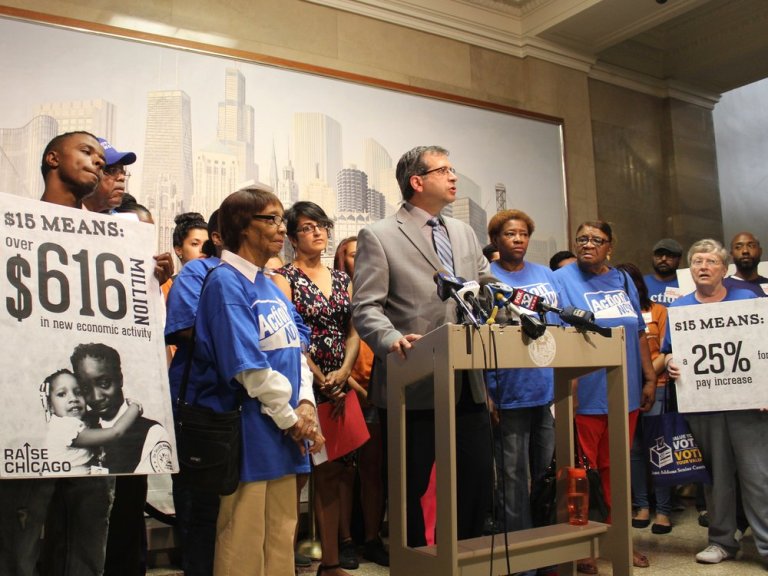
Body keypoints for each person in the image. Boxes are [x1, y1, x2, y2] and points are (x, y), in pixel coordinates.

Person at [351, 145, 493, 548]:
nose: (454, 177)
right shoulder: (379, 235)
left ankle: (464, 558)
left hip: (468, 380)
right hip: (412, 380)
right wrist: (391, 339)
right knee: (410, 485)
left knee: (478, 475)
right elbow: (365, 307)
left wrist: (502, 301)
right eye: (444, 170)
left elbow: (485, 283)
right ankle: (413, 560)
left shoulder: (464, 231)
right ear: (417, 181)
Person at [185, 186, 323, 576]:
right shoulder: (225, 282)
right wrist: (292, 417)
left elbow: (295, 351)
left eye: (282, 220)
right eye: (271, 219)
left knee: (281, 533)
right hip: (249, 430)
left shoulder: (269, 284)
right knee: (243, 537)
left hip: (283, 428)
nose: (282, 229)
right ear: (243, 227)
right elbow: (247, 366)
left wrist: (307, 404)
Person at [0, 131, 112, 576]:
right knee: (20, 540)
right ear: (52, 158)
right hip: (25, 423)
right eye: (87, 152)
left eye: (102, 159)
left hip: (91, 423)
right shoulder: (12, 225)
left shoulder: (112, 239)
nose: (97, 163)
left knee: (87, 540)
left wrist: (142, 274)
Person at [553, 220, 656, 574]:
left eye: (596, 240)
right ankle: (583, 547)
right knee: (581, 475)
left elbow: (639, 332)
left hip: (624, 393)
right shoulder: (561, 279)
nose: (587, 244)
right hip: (585, 395)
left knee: (617, 474)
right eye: (582, 239)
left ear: (609, 246)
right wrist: (568, 389)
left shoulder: (623, 279)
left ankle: (620, 542)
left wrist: (649, 376)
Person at [663, 239, 768, 566]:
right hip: (704, 405)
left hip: (748, 406)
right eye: (697, 262)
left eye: (710, 262)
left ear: (725, 269)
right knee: (717, 478)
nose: (703, 267)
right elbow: (669, 351)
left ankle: (765, 545)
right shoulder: (679, 309)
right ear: (690, 269)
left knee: (758, 477)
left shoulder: (747, 298)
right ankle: (722, 541)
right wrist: (669, 363)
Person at [273, 201, 361, 575]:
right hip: (303, 386)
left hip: (341, 384)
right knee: (296, 476)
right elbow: (289, 335)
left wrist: (343, 372)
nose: (318, 232)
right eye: (308, 227)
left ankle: (331, 561)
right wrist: (318, 376)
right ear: (292, 238)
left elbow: (353, 332)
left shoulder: (343, 279)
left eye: (321, 225)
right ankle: (284, 561)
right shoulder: (284, 277)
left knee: (332, 474)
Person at [484, 210, 558, 547]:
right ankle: (518, 551)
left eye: (523, 234)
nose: (518, 240)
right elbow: (477, 337)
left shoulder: (546, 275)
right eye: (511, 234)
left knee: (544, 473)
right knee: (513, 476)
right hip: (507, 391)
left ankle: (543, 547)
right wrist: (486, 391)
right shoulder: (486, 279)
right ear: (496, 240)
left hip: (546, 389)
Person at [165, 209, 223, 576]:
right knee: (197, 506)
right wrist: (238, 350)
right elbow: (183, 328)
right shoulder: (194, 274)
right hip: (199, 400)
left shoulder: (264, 278)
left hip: (240, 407)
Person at [334, 236, 389, 567]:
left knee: (373, 469)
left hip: (378, 391)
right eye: (355, 255)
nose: (362, 260)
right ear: (344, 260)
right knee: (343, 470)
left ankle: (372, 538)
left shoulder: (381, 293)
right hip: (345, 390)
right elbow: (337, 344)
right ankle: (345, 541)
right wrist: (353, 385)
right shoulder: (339, 294)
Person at [616, 263, 673, 534]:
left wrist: (648, 375)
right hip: (623, 388)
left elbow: (667, 349)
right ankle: (642, 506)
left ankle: (663, 511)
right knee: (634, 451)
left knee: (658, 449)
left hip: (656, 386)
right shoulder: (614, 314)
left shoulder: (659, 311)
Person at [70, 343, 173, 474]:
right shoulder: (79, 425)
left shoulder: (151, 432)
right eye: (85, 388)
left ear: (120, 379)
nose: (96, 397)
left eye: (104, 383)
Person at [40, 369, 142, 474]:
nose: (73, 398)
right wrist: (134, 407)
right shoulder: (63, 428)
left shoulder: (78, 421)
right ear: (50, 406)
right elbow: (115, 432)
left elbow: (92, 415)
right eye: (62, 394)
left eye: (78, 392)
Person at [83, 138, 136, 214]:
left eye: (123, 172)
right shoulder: (64, 217)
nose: (122, 177)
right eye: (112, 170)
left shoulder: (123, 223)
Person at [644, 238, 683, 306]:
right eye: (659, 255)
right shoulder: (641, 283)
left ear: (679, 259)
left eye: (669, 255)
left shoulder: (687, 284)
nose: (663, 259)